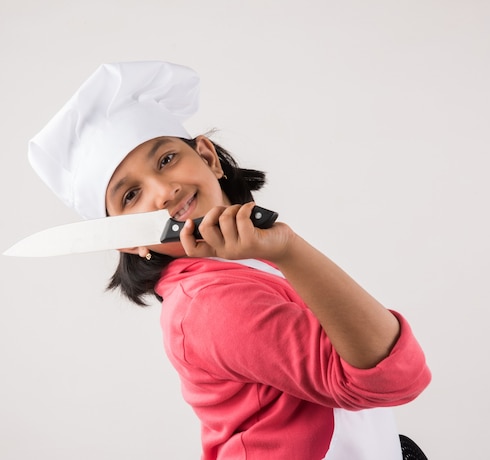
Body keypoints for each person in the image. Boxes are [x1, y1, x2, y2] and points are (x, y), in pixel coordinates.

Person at [27, 61, 431, 460]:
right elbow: (395, 379)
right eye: (130, 195)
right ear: (128, 242)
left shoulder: (243, 265)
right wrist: (289, 248)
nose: (164, 192)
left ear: (207, 156)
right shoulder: (208, 303)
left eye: (166, 160)